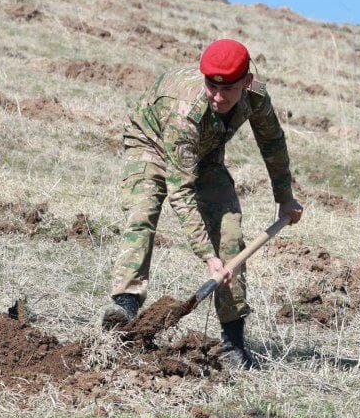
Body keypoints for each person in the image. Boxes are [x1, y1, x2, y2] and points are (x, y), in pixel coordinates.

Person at [104, 38, 303, 368]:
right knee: (143, 212)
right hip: (151, 143)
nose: (218, 97)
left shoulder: (256, 96)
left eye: (228, 90)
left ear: (247, 82)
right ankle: (125, 306)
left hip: (206, 154)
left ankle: (233, 344)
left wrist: (285, 199)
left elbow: (272, 143)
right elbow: (180, 193)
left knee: (231, 237)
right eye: (212, 86)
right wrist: (207, 257)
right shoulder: (186, 111)